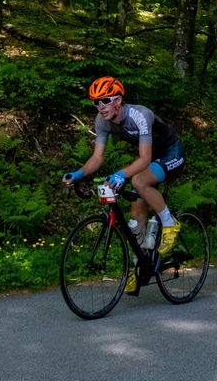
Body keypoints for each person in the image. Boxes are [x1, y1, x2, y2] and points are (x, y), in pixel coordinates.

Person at [62, 76, 184, 293]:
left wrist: (120, 174)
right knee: (136, 219)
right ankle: (140, 268)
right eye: (96, 102)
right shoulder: (102, 121)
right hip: (151, 157)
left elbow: (144, 160)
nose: (100, 107)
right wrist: (78, 174)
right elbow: (97, 158)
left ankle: (170, 222)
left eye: (105, 100)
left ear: (118, 100)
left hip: (170, 152)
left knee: (138, 180)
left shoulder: (140, 115)